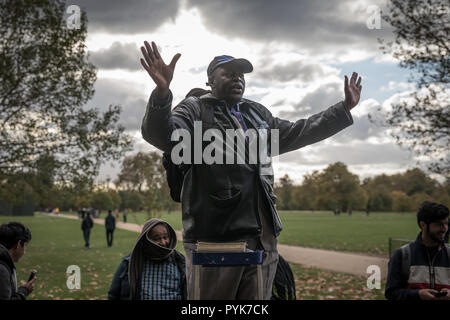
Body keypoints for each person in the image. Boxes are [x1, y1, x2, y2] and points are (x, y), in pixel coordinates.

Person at [139, 41, 362, 299]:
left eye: (241, 74)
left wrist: (342, 109)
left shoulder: (257, 114)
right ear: (210, 80)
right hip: (216, 241)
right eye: (229, 73)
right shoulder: (195, 109)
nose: (237, 78)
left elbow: (299, 131)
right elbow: (162, 136)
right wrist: (162, 94)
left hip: (263, 242)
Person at [107, 219, 186, 300]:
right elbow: (113, 295)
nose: (163, 242)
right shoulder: (130, 263)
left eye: (165, 237)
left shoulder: (179, 262)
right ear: (145, 240)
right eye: (156, 238)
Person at [385, 201, 450, 300]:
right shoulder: (402, 255)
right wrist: (417, 294)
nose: (444, 229)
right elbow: (391, 293)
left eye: (446, 223)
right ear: (423, 225)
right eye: (439, 224)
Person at [0, 222, 36, 300]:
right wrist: (24, 291)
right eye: (25, 246)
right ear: (19, 244)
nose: (25, 251)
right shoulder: (2, 270)